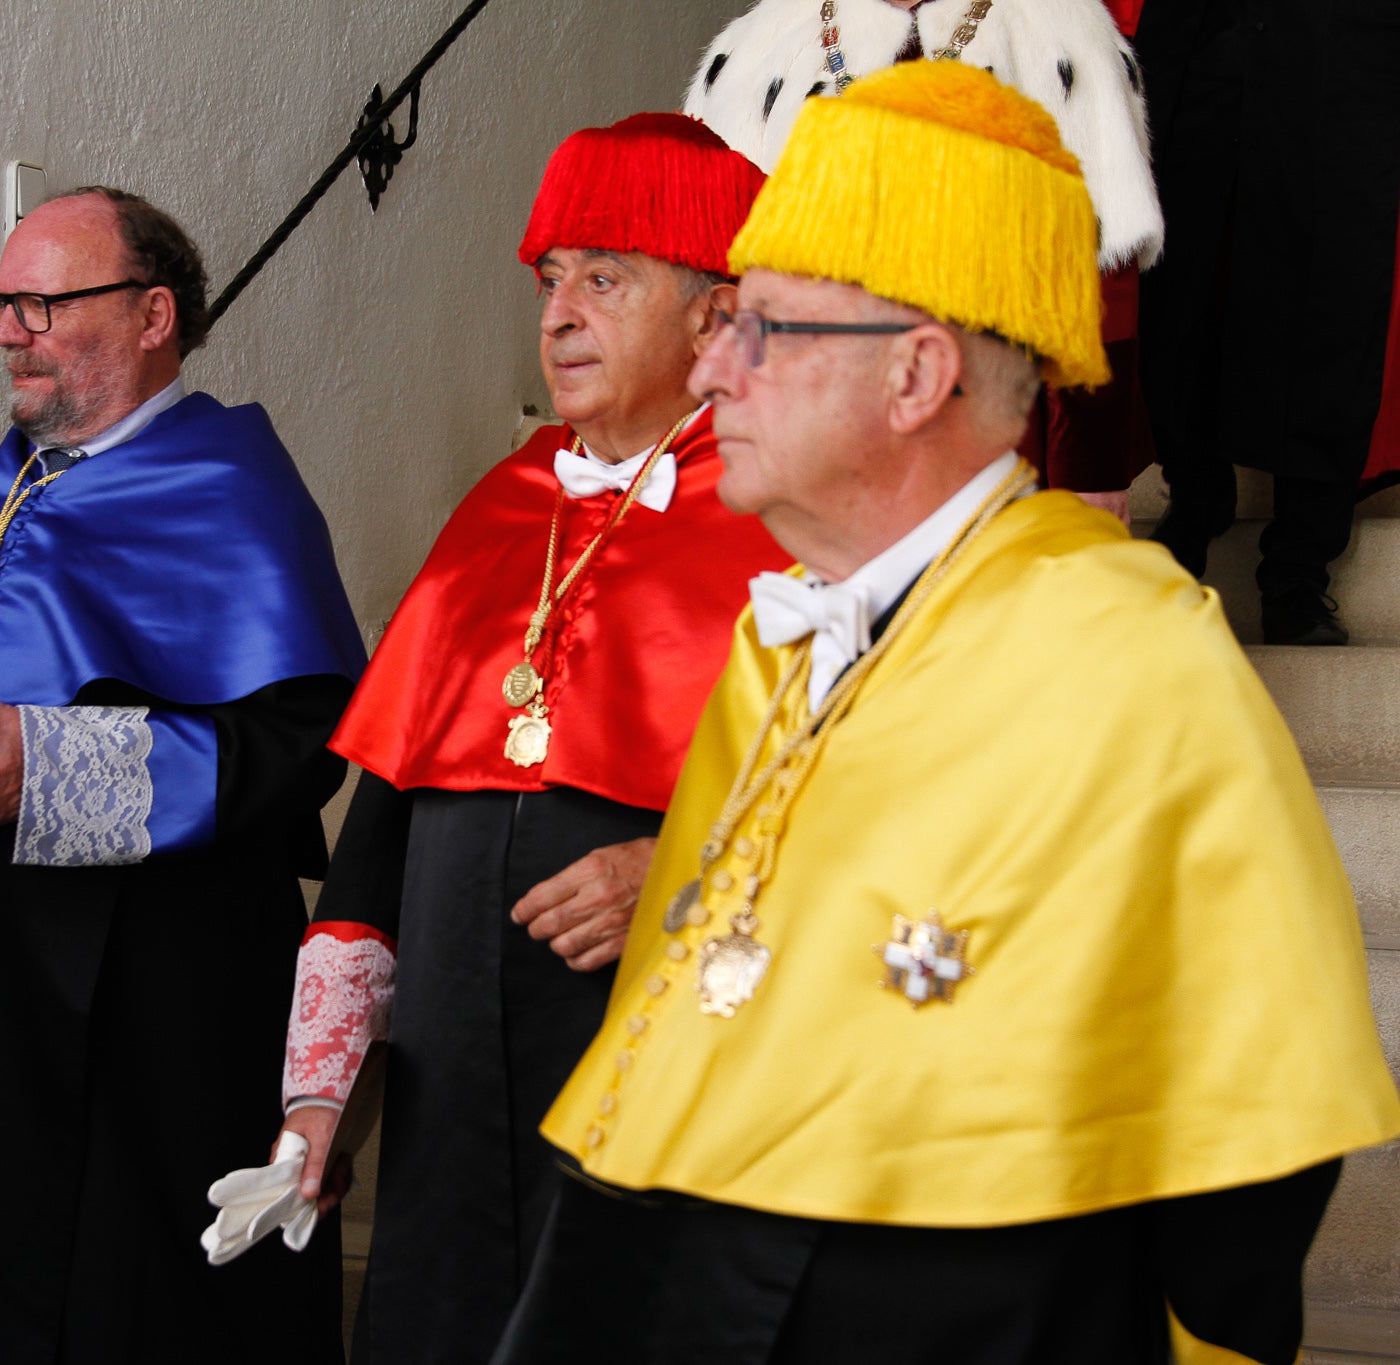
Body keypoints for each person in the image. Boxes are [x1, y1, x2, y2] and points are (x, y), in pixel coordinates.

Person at [496, 62, 1400, 1364]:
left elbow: (1248, 1155)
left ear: (916, 375)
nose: (714, 371)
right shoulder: (777, 634)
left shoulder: (1129, 645)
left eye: (759, 329)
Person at [0, 187, 367, 1364]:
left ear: (152, 315)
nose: (5, 329)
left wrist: (45, 767)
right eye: (2, 302)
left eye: (41, 301)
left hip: (137, 987)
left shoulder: (233, 487)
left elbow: (296, 743)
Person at [259, 114, 790, 1364]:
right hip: (449, 1122)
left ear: (717, 318)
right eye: (549, 280)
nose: (554, 316)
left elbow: (896, 824)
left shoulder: (795, 520)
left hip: (670, 1082)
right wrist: (318, 1096)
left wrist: (684, 873)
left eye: (604, 278)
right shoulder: (499, 509)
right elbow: (375, 842)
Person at [685, 0, 1163, 523]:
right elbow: (712, 271)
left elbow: (1099, 266)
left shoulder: (1055, 22)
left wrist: (1090, 466)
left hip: (989, 416)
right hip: (806, 412)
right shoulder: (765, 37)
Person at [1136, 0, 1400, 643]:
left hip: (1343, 55)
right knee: (1181, 288)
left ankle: (1299, 570)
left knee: (1333, 307)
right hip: (1202, 46)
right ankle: (1195, 504)